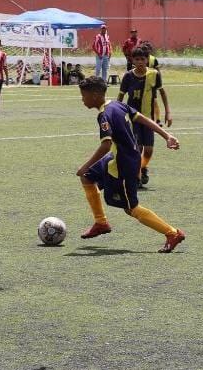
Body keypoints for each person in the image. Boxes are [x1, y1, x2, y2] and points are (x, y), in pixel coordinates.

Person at [76, 76, 185, 253]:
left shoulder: (104, 115)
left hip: (123, 164)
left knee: (130, 208)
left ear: (95, 95)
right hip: (118, 157)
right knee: (87, 178)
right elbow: (140, 117)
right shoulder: (116, 105)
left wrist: (86, 164)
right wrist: (167, 135)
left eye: (83, 96)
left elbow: (105, 144)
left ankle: (172, 233)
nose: (82, 100)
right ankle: (101, 222)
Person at [117, 46, 170, 188]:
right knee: (137, 148)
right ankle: (137, 175)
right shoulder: (128, 76)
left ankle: (143, 167)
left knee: (148, 150)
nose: (140, 62)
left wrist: (168, 113)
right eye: (137, 59)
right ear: (132, 60)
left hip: (148, 119)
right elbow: (121, 97)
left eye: (143, 59)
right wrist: (116, 113)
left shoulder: (154, 75)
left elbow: (162, 93)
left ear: (147, 60)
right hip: (133, 118)